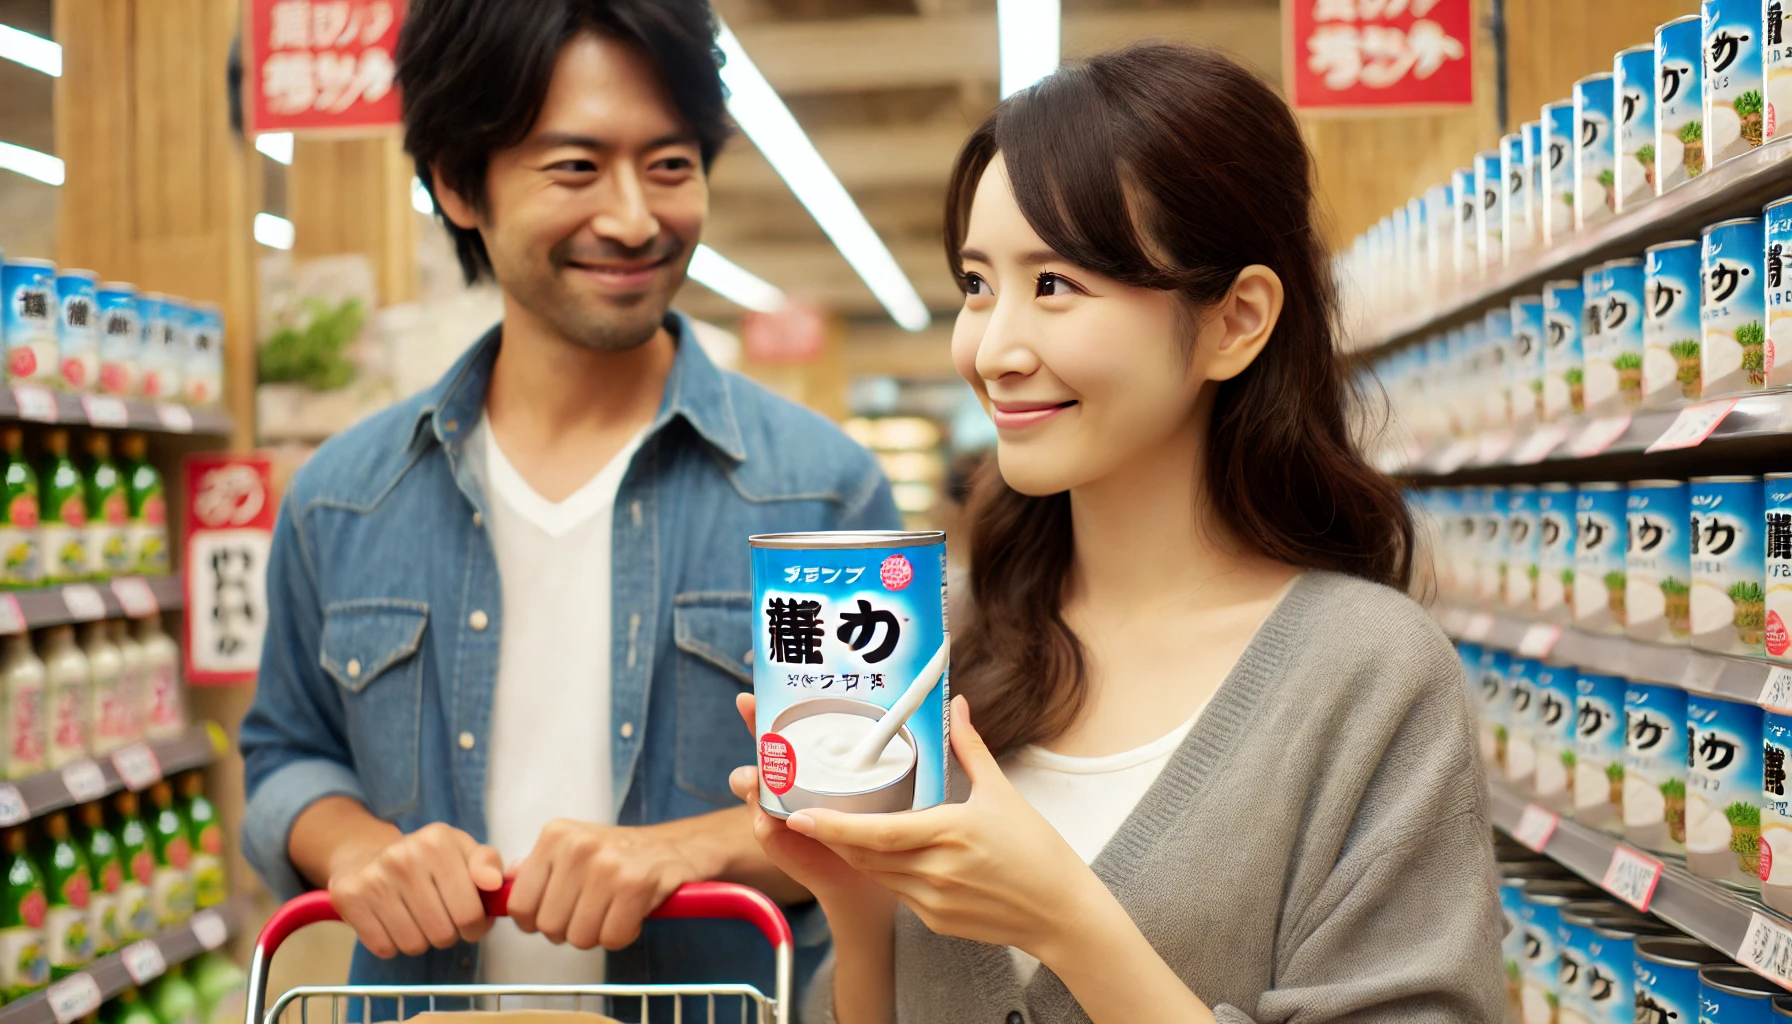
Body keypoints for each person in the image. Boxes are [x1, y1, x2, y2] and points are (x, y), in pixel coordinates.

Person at [730, 43, 1505, 1023]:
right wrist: (850, 894)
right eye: (976, 284)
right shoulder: (943, 646)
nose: (993, 350)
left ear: (1234, 320)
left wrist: (1067, 922)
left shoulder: (1369, 675)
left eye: (1053, 284)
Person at [237, 0, 899, 1002]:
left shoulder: (817, 490)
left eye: (670, 165)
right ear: (462, 185)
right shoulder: (343, 499)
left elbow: (875, 796)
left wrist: (689, 851)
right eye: (574, 168)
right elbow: (287, 754)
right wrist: (360, 848)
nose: (634, 218)